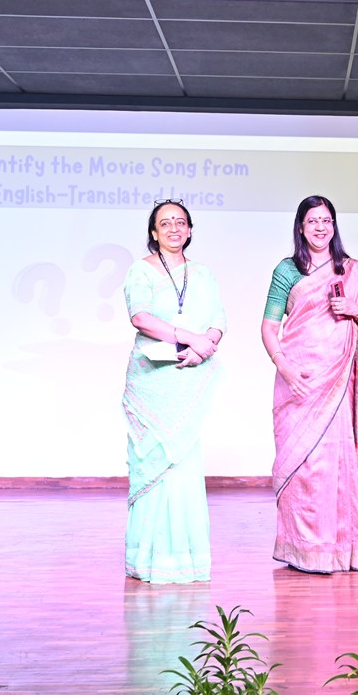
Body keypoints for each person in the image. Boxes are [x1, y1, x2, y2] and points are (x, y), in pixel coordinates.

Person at [260, 195, 358, 573]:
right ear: (301, 227)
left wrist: (357, 311)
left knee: (334, 466)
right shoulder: (287, 271)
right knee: (300, 467)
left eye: (327, 220)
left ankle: (339, 549)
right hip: (296, 380)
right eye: (313, 221)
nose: (320, 227)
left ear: (334, 226)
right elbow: (268, 327)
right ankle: (300, 549)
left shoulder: (351, 271)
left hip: (336, 383)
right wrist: (284, 367)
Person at [122, 199, 226, 583]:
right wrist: (188, 337)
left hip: (187, 378)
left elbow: (218, 319)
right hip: (152, 381)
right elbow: (140, 317)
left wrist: (202, 348)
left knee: (183, 466)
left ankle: (184, 561)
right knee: (154, 464)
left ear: (190, 229)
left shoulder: (203, 274)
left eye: (180, 222)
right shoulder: (141, 270)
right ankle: (148, 560)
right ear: (153, 232)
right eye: (165, 223)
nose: (173, 229)